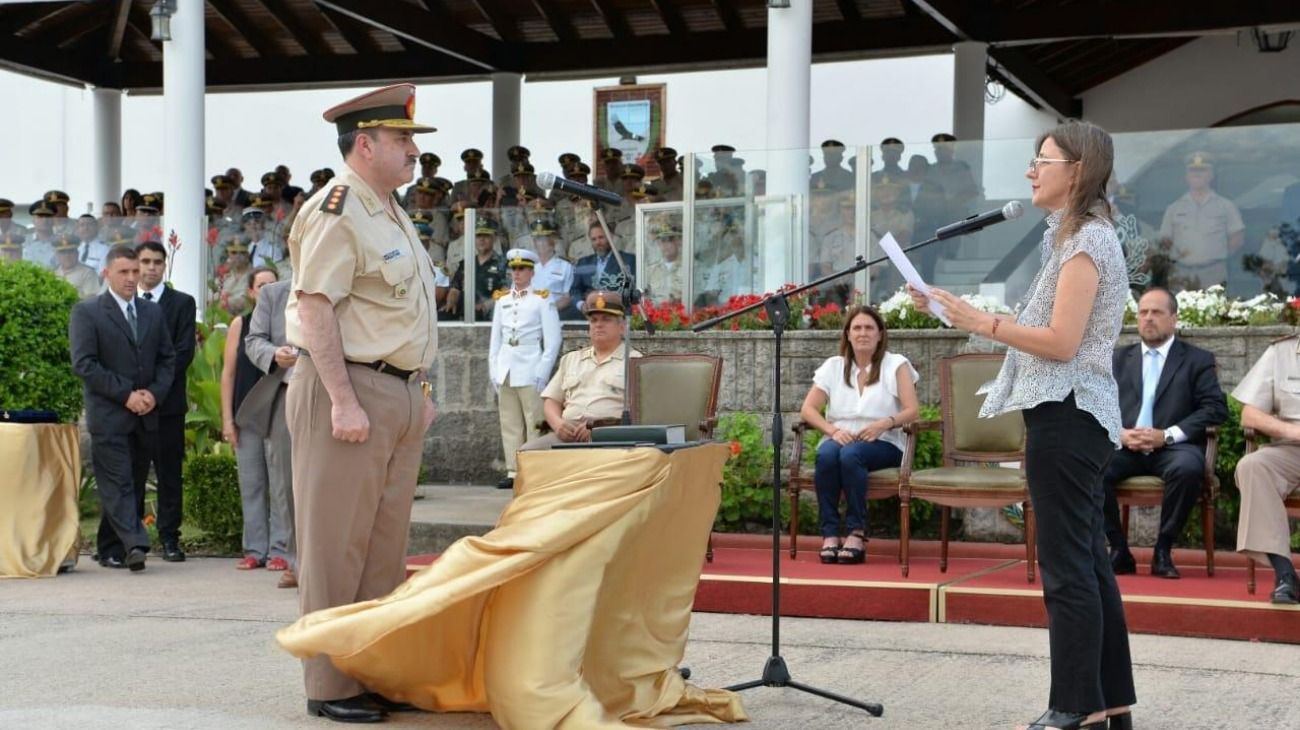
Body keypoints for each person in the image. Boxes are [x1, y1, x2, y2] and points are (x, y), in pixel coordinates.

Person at [908, 121, 1134, 730]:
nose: (1032, 171)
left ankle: (1074, 707)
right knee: (1087, 562)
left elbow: (1061, 343)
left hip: (1069, 414)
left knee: (1067, 569)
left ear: (1078, 170)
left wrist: (981, 323)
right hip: (1068, 414)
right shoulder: (1069, 238)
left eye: (1043, 160)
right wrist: (950, 308)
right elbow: (1049, 329)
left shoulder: (1086, 241)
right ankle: (1110, 704)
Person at [283, 82, 439, 724]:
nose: (414, 152)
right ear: (365, 144)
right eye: (403, 140)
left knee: (381, 550)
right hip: (345, 387)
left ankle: (367, 670)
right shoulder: (338, 207)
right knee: (334, 545)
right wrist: (344, 402)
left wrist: (418, 393)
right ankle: (329, 685)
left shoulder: (389, 208)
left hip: (395, 392)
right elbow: (316, 307)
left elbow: (402, 312)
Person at [1101, 288, 1227, 579]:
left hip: (1173, 448)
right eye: (1143, 312)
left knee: (1188, 468)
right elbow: (1095, 405)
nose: (1148, 319)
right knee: (1092, 466)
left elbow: (1215, 409)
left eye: (1156, 312)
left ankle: (1163, 549)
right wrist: (1119, 434)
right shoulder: (1117, 359)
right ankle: (1119, 550)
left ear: (1174, 319)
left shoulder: (1197, 360)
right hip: (1126, 445)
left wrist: (1167, 435)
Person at [69, 245, 175, 573]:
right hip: (110, 415)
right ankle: (136, 543)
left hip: (145, 414)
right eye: (124, 272)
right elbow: (85, 364)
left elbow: (166, 359)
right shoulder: (87, 312)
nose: (132, 278)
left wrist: (153, 395)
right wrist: (126, 395)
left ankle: (109, 548)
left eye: (135, 271)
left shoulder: (152, 312)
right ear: (107, 274)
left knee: (134, 480)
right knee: (118, 483)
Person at [798, 305, 918, 564]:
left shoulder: (896, 365)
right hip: (841, 437)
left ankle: (856, 532)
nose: (863, 333)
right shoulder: (833, 366)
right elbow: (808, 409)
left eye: (869, 328)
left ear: (879, 334)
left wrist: (885, 423)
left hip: (883, 441)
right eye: (857, 328)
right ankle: (830, 535)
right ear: (848, 335)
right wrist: (832, 430)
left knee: (851, 455)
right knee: (827, 454)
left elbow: (912, 411)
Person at [134, 240, 198, 563]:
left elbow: (182, 353)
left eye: (157, 262)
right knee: (132, 474)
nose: (151, 268)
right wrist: (134, 394)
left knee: (169, 475)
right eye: (145, 262)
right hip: (131, 406)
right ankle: (132, 541)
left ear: (164, 265)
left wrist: (153, 394)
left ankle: (170, 538)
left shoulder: (182, 304)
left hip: (168, 406)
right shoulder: (124, 302)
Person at [522, 291, 641, 450]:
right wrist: (558, 425)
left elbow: (642, 411)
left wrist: (600, 429)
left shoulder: (635, 362)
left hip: (610, 434)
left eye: (606, 319)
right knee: (527, 453)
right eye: (594, 320)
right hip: (568, 432)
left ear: (622, 327)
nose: (598, 324)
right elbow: (552, 400)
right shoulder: (571, 359)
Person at [240, 272, 300, 589]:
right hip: (288, 392)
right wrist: (274, 355)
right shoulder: (275, 294)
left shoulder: (343, 288)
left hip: (336, 394)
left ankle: (329, 560)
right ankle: (293, 560)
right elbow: (254, 340)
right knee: (285, 482)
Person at [222, 267, 284, 571]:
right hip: (246, 415)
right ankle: (255, 549)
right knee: (252, 484)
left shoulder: (289, 325)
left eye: (273, 285)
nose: (268, 290)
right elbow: (229, 374)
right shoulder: (240, 324)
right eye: (262, 286)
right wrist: (226, 420)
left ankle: (281, 550)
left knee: (281, 485)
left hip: (278, 413)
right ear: (251, 292)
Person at [1231, 335, 1300, 604]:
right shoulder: (1280, 352)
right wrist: (1292, 430)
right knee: (1252, 466)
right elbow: (1250, 415)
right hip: (1290, 448)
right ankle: (1285, 575)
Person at [489, 248, 562, 490]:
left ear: (531, 272)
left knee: (535, 420)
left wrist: (543, 371)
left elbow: (552, 340)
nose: (517, 273)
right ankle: (513, 470)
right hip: (506, 366)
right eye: (514, 269)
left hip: (531, 364)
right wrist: (494, 370)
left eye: (522, 269)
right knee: (509, 422)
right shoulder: (502, 299)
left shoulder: (542, 298)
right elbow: (495, 339)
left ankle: (535, 468)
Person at [1158, 152, 1244, 289]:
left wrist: (1213, 255)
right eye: (1192, 170)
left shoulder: (1226, 206)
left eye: (1202, 170)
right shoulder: (1174, 208)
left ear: (1211, 175)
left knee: (1215, 310)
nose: (1196, 174)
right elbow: (1164, 242)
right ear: (1186, 176)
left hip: (1214, 272)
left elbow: (1237, 239)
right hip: (1181, 272)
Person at [571, 220, 635, 317]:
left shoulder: (627, 260)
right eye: (594, 239)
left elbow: (632, 290)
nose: (598, 242)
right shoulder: (583, 262)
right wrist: (581, 305)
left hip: (618, 314)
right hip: (590, 314)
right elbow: (574, 290)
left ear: (611, 237)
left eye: (601, 237)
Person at [644, 222, 685, 303]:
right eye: (662, 241)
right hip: (655, 313)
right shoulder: (651, 270)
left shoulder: (689, 268)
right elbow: (645, 298)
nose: (665, 245)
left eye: (669, 240)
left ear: (678, 242)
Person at [53, 233, 100, 299]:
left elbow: (91, 299)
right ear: (57, 255)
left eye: (70, 251)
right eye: (63, 252)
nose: (67, 256)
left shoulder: (88, 272)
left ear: (77, 253)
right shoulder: (53, 273)